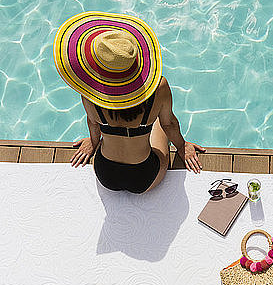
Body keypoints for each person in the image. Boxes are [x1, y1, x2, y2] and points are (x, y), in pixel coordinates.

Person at [53, 11, 206, 193]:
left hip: (104, 173)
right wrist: (182, 146)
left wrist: (94, 142)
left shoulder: (89, 91)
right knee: (158, 119)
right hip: (145, 175)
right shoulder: (159, 87)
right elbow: (170, 124)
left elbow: (92, 122)